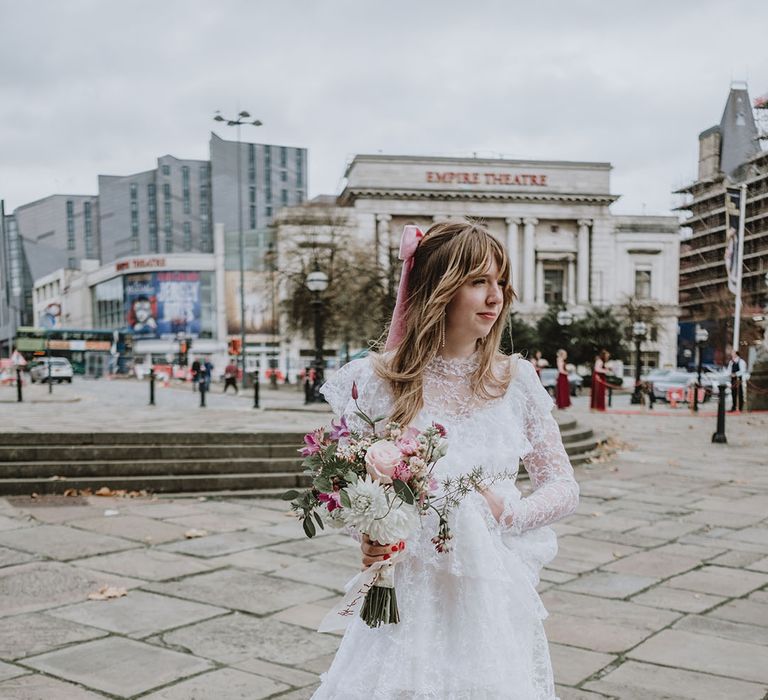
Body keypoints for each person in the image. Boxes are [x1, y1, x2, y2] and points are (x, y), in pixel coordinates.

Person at [314, 221, 579, 699]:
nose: (496, 297)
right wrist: (370, 533)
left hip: (489, 596)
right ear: (439, 288)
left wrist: (508, 513)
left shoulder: (516, 381)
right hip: (408, 595)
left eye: (501, 282)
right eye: (479, 282)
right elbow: (348, 489)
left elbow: (563, 485)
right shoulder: (376, 381)